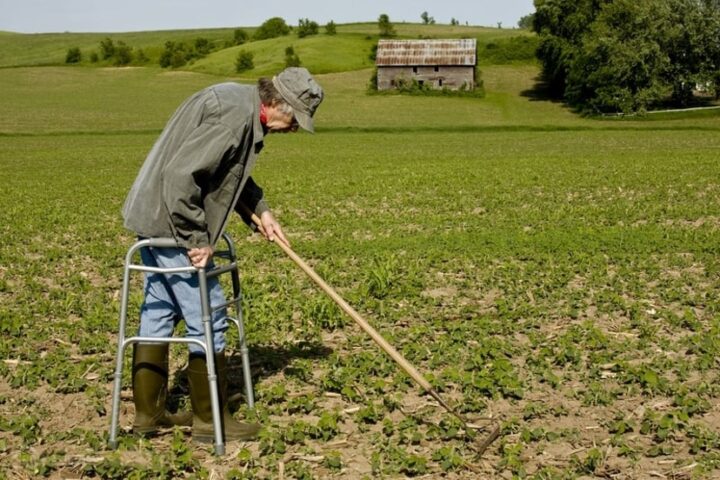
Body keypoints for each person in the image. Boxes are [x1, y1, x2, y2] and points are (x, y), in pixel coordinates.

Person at [121, 67, 324, 443]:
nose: (294, 128)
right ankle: (210, 421)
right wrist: (196, 238)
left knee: (159, 311)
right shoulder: (232, 119)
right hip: (174, 226)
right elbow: (181, 176)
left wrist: (261, 211)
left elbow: (230, 173)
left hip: (154, 219)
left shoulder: (240, 105)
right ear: (277, 103)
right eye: (295, 118)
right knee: (210, 318)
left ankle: (149, 416)